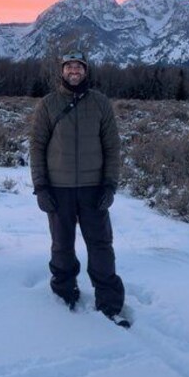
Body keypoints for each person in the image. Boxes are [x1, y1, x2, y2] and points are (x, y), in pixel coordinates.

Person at [29, 51, 128, 327]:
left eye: (79, 67)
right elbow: (37, 147)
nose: (74, 71)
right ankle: (64, 295)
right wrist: (41, 187)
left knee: (101, 246)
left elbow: (112, 147)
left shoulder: (100, 103)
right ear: (62, 71)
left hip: (93, 188)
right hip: (58, 189)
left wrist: (110, 184)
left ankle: (109, 303)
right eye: (69, 67)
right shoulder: (48, 104)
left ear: (86, 71)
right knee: (62, 246)